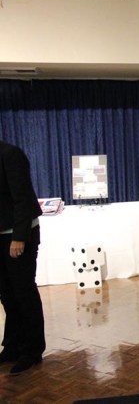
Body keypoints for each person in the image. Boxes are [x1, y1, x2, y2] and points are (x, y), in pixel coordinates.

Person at [0, 140, 46, 375]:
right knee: (7, 294)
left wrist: (19, 237)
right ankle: (12, 346)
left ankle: (32, 350)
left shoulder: (10, 154)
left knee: (23, 292)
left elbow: (23, 197)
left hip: (18, 235)